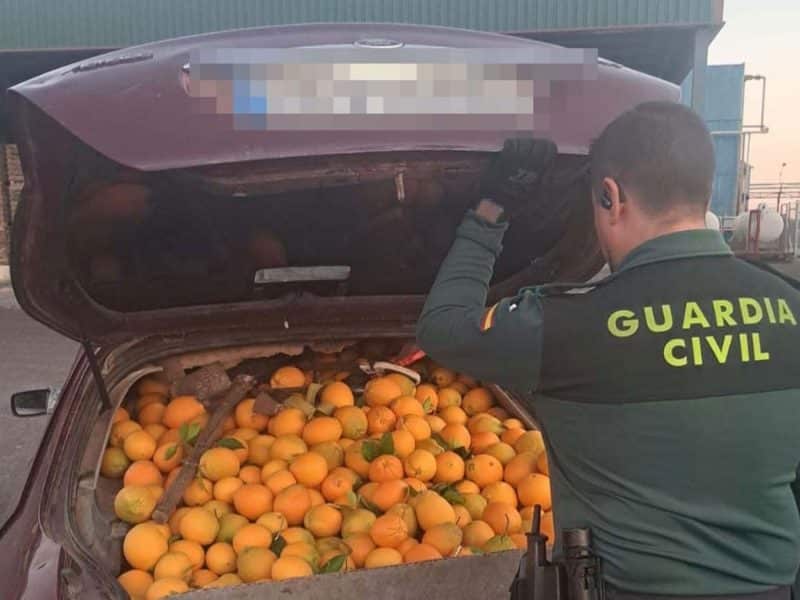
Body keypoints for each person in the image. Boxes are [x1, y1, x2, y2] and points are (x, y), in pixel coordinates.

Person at [416, 102, 800, 599]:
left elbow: (443, 327)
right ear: (703, 189)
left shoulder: (563, 326)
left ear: (609, 196)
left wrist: (493, 209)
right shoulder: (790, 308)